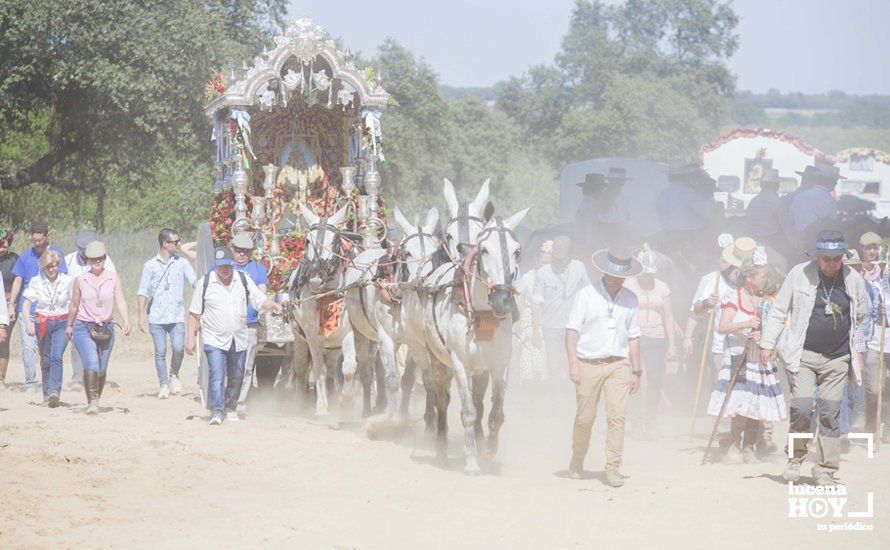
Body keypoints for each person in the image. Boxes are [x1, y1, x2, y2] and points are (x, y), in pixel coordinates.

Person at [760, 230, 868, 486]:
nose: (831, 263)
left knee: (831, 413)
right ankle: (796, 459)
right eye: (826, 258)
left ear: (842, 257)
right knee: (802, 408)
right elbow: (778, 311)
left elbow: (860, 313)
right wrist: (767, 343)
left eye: (836, 258)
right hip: (804, 354)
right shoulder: (799, 274)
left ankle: (825, 471)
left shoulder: (853, 279)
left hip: (838, 358)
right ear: (818, 256)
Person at [566, 248, 644, 488]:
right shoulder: (586, 295)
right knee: (585, 418)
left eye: (620, 275)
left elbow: (634, 336)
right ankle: (577, 458)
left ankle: (613, 468)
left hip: (618, 365)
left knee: (617, 417)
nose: (615, 278)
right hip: (588, 363)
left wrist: (636, 370)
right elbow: (571, 331)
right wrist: (573, 364)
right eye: (611, 273)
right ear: (603, 271)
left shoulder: (631, 299)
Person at [185, 247, 281, 425]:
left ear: (233, 264)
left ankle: (230, 407)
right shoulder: (205, 283)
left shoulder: (243, 280)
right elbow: (194, 313)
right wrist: (190, 339)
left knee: (237, 375)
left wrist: (274, 306)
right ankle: (217, 410)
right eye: (221, 266)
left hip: (239, 338)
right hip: (214, 339)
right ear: (216, 265)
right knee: (217, 374)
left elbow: (260, 299)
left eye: (228, 266)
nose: (224, 270)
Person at [708, 251, 787, 463]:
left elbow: (780, 324)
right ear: (749, 278)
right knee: (739, 404)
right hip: (738, 357)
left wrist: (764, 334)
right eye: (762, 276)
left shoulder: (767, 298)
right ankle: (733, 446)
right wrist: (745, 325)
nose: (766, 280)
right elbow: (722, 326)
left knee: (756, 404)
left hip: (759, 357)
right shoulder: (734, 296)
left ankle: (749, 448)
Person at [66, 241, 131, 415]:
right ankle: (92, 402)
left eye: (100, 257)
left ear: (105, 257)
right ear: (88, 259)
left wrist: (126, 320)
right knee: (92, 362)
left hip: (106, 327)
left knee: (101, 368)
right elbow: (74, 305)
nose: (97, 261)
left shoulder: (113, 277)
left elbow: (121, 300)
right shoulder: (80, 280)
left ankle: (96, 398)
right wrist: (69, 325)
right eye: (94, 258)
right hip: (83, 326)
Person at [623, 246, 677, 438]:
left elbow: (668, 316)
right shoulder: (628, 284)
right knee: (635, 379)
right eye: (645, 274)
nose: (648, 278)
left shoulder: (662, 287)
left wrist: (672, 344)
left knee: (654, 378)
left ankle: (650, 422)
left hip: (656, 337)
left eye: (651, 274)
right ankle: (636, 422)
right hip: (634, 337)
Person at [137, 228, 197, 399]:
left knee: (178, 348)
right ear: (165, 244)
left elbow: (194, 281)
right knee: (160, 352)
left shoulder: (182, 263)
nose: (179, 244)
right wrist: (141, 316)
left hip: (176, 315)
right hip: (157, 317)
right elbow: (142, 291)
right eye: (176, 242)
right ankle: (163, 384)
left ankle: (174, 374)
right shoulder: (149, 266)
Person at [8, 221, 67, 389]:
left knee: (46, 350)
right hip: (27, 309)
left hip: (49, 312)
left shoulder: (56, 254)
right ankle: (31, 382)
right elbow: (18, 280)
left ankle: (47, 381)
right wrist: (12, 304)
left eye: (40, 240)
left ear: (46, 237)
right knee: (28, 347)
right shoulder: (25, 257)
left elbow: (64, 279)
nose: (37, 243)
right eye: (34, 240)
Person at [532, 236, 589, 385]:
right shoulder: (543, 273)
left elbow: (588, 294)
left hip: (574, 327)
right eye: (555, 257)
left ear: (569, 254)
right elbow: (536, 303)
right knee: (554, 365)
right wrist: (535, 331)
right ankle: (556, 398)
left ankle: (572, 396)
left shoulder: (579, 267)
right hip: (551, 328)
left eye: (562, 257)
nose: (558, 260)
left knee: (573, 364)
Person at [64, 230, 117, 390]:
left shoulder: (105, 260)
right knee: (76, 344)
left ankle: (96, 373)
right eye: (82, 249)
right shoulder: (68, 261)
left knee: (100, 344)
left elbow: (113, 282)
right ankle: (77, 377)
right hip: (77, 309)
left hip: (98, 311)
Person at [21, 250, 73, 407]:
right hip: (42, 322)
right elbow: (26, 304)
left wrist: (72, 323)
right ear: (43, 266)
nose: (52, 269)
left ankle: (54, 391)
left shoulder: (68, 280)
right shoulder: (36, 281)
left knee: (57, 355)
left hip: (62, 321)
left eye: (55, 265)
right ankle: (46, 394)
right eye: (48, 266)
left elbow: (74, 304)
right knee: (45, 359)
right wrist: (28, 323)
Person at [230, 232, 270, 418]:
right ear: (232, 249)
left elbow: (262, 293)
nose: (241, 254)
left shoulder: (258, 268)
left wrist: (269, 305)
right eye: (238, 250)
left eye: (246, 251)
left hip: (249, 324)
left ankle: (240, 401)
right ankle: (227, 398)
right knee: (227, 364)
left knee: (246, 366)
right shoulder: (223, 266)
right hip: (226, 324)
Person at [858, 232, 889, 442]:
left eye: (875, 247)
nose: (872, 251)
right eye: (868, 247)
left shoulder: (885, 275)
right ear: (861, 249)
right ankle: (871, 421)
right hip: (871, 339)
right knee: (873, 387)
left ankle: (886, 425)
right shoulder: (856, 276)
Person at [515, 240, 552, 383]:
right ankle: (530, 380)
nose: (546, 266)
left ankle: (546, 381)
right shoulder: (528, 277)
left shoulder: (555, 278)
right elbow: (519, 299)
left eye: (549, 262)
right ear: (537, 262)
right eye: (544, 262)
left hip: (549, 320)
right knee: (530, 340)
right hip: (529, 319)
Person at [786, 165, 843, 257]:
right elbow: (831, 227)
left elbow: (790, 220)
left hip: (796, 247)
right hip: (817, 248)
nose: (836, 183)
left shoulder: (799, 197)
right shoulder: (828, 200)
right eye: (835, 180)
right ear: (829, 181)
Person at [745, 168, 784, 249]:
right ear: (777, 185)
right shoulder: (778, 203)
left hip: (753, 242)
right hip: (773, 244)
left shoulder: (753, 202)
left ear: (761, 184)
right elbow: (785, 225)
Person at [0, 228, 18, 384]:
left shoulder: (14, 259)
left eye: (6, 243)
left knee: (3, 339)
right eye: (1, 243)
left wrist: (9, 296)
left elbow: (21, 283)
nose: (4, 246)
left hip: (8, 305)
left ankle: (1, 376)